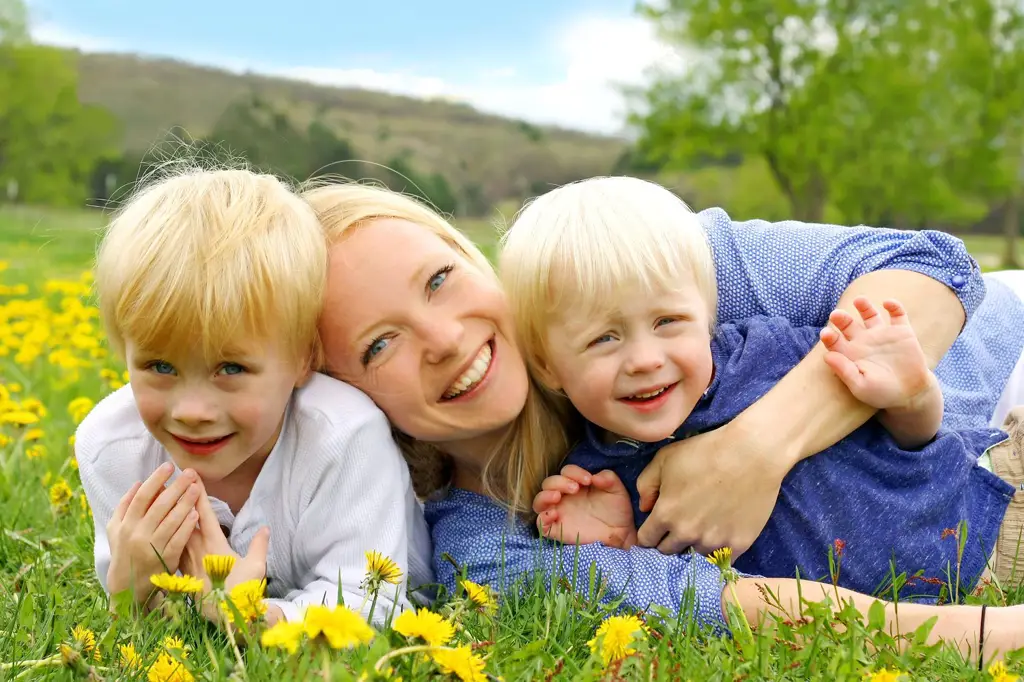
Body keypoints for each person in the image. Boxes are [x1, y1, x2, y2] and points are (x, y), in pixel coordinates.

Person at [304, 178, 1024, 665]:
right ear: (344, 401)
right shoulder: (485, 548)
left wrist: (756, 448)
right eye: (379, 344)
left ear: (471, 259)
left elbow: (929, 264)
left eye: (438, 280)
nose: (444, 339)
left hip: (1000, 371)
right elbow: (714, 604)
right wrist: (983, 636)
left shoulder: (627, 265)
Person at [498, 175, 1023, 599]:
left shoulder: (764, 353)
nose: (644, 359)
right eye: (604, 338)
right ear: (548, 367)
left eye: (668, 322)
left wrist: (911, 396)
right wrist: (618, 538)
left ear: (709, 313)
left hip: (991, 521)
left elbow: (913, 437)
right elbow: (677, 578)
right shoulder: (596, 478)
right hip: (928, 590)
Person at [76, 165, 433, 628]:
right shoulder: (111, 447)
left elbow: (374, 604)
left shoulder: (344, 436)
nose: (192, 412)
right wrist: (136, 595)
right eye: (159, 366)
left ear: (303, 358)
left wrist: (252, 617)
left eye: (231, 368)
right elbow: (137, 604)